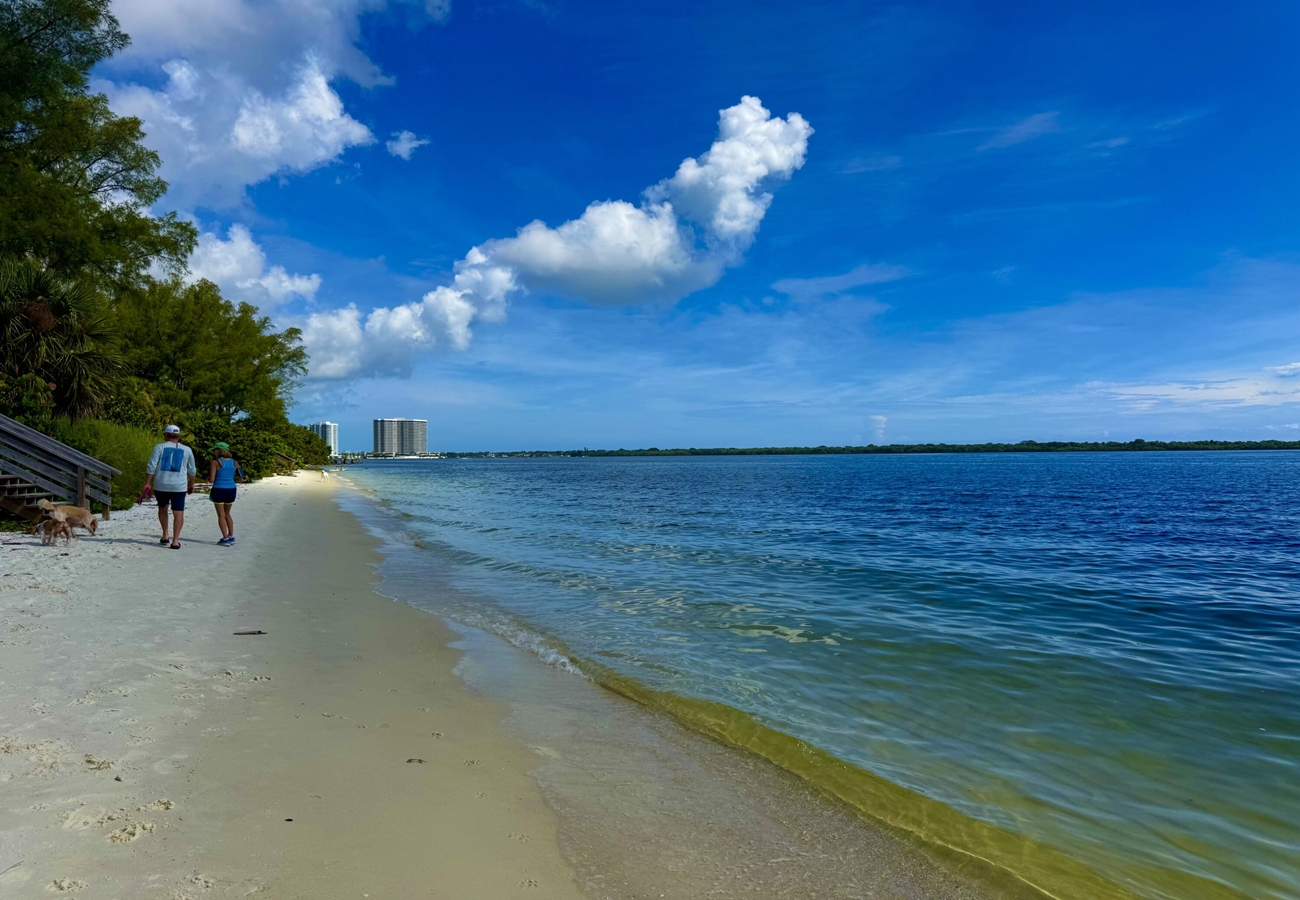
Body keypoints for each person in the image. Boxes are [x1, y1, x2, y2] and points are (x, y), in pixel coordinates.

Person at [144, 425, 196, 549]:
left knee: (162, 509)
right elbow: (192, 469)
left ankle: (165, 534)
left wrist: (147, 483)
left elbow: (151, 466)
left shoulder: (159, 447)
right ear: (178, 436)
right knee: (178, 512)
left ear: (166, 435)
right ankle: (176, 541)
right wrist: (191, 483)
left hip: (161, 484)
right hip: (179, 486)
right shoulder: (187, 449)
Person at [207, 442, 242, 546]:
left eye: (215, 450)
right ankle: (231, 536)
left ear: (219, 450)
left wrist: (208, 479)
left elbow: (212, 479)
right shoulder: (234, 462)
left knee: (221, 515)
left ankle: (225, 538)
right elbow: (241, 477)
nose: (214, 452)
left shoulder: (216, 462)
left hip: (219, 489)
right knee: (227, 514)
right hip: (231, 489)